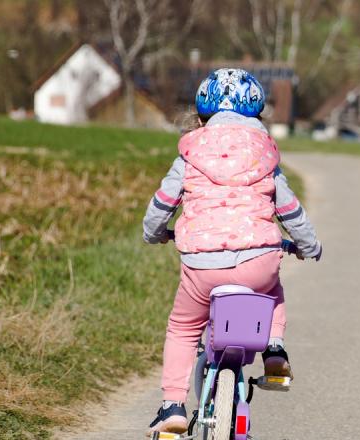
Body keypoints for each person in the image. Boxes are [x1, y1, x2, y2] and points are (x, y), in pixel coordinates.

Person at [141, 68, 322, 434]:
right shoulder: (265, 156)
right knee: (272, 292)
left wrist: (155, 233)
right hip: (259, 259)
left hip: (202, 266)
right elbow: (289, 211)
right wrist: (307, 245)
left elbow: (162, 205)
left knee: (183, 327)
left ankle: (172, 406)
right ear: (257, 114)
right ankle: (273, 350)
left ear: (202, 114)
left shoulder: (190, 154)